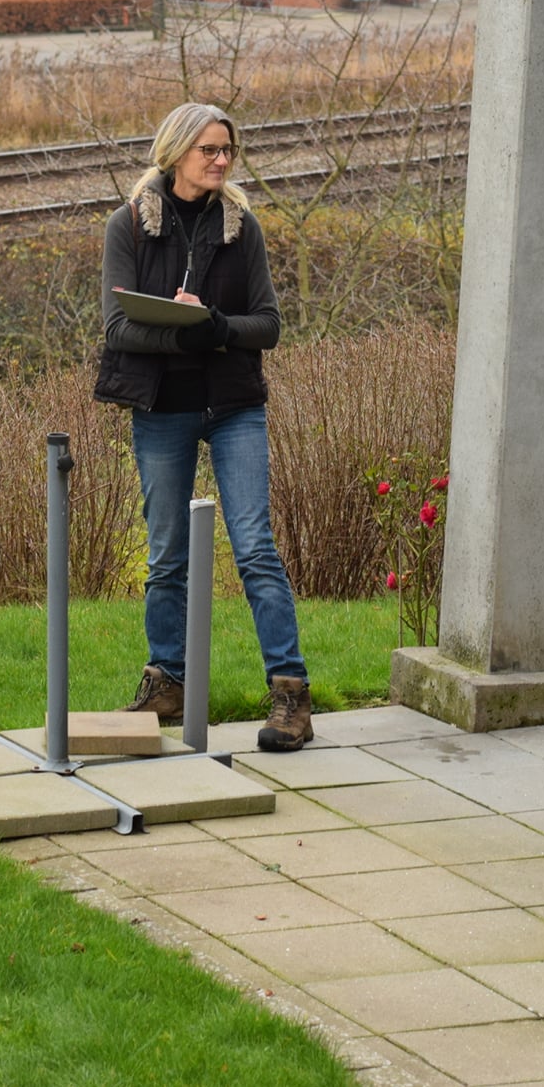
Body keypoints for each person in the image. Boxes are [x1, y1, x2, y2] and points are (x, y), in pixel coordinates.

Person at [95, 102, 313, 752]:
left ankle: (291, 695)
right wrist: (186, 335)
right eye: (208, 150)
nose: (220, 161)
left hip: (234, 407)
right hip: (162, 407)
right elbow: (116, 328)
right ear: (175, 152)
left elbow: (268, 325)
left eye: (227, 150)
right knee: (165, 552)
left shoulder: (242, 230)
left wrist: (216, 325)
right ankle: (166, 681)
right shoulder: (130, 225)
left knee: (254, 548)